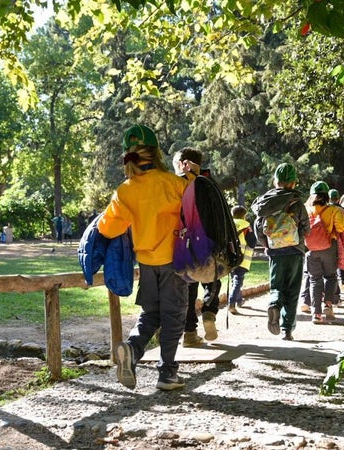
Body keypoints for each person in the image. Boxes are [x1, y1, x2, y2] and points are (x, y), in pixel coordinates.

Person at [98, 124, 189, 391]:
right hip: (174, 261)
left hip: (147, 263)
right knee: (174, 316)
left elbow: (107, 228)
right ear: (156, 152)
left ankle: (133, 348)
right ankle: (167, 374)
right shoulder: (176, 185)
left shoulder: (125, 190)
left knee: (151, 314)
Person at [251, 163, 309, 340]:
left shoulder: (265, 202)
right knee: (292, 289)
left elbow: (258, 227)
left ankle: (274, 303)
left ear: (275, 181)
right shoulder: (296, 202)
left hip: (275, 252)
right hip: (295, 251)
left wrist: (267, 245)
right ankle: (286, 329)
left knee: (277, 286)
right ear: (293, 183)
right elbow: (306, 227)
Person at [171, 147, 221, 345]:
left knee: (189, 289)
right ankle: (209, 311)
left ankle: (189, 332)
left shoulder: (177, 185)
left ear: (182, 164)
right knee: (212, 280)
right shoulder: (209, 183)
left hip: (185, 244)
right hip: (209, 243)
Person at [304, 181, 344, 324]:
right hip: (329, 246)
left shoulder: (307, 210)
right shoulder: (334, 210)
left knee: (314, 279)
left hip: (311, 248)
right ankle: (328, 305)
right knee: (330, 277)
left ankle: (316, 313)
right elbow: (341, 228)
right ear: (326, 195)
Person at [227, 205, 257, 315]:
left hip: (230, 259)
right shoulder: (246, 227)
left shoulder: (228, 225)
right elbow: (252, 243)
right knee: (238, 281)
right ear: (244, 215)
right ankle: (231, 304)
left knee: (235, 279)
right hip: (242, 259)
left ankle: (239, 301)